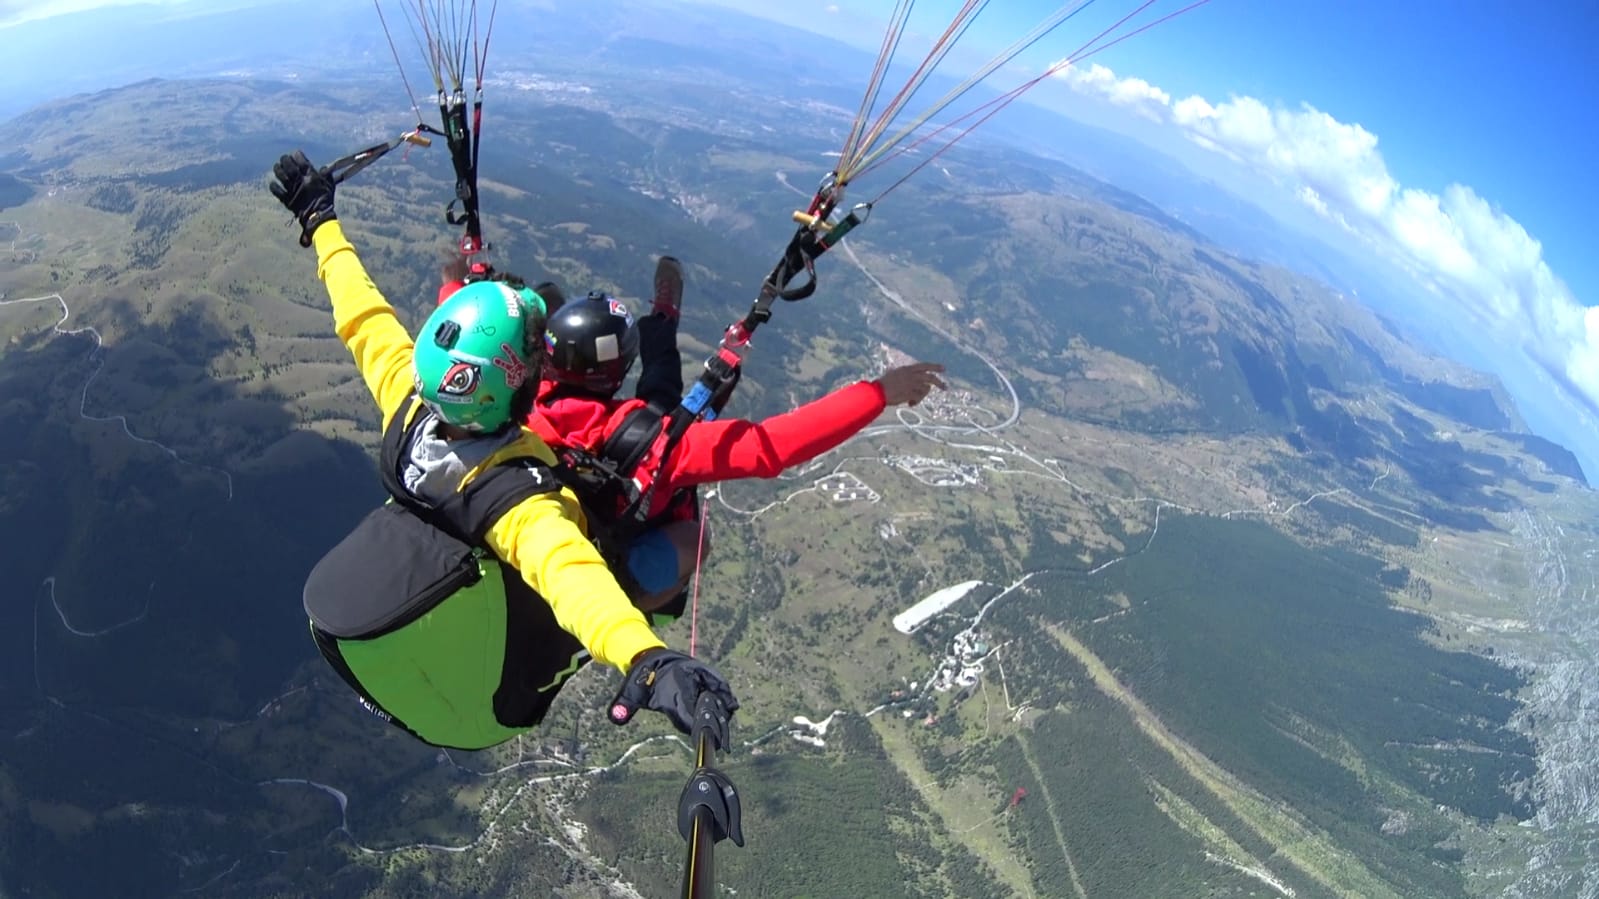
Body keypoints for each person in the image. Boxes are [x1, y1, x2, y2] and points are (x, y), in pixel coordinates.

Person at [269, 150, 737, 752]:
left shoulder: (407, 401)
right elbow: (573, 577)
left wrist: (320, 221)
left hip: (397, 645)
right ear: (520, 386)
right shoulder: (518, 502)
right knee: (680, 538)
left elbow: (363, 318)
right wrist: (644, 655)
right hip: (484, 708)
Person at [530, 276, 947, 613]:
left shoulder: (522, 399)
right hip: (603, 564)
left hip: (557, 531)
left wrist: (463, 279)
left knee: (660, 397)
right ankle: (631, 606)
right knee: (695, 538)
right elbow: (772, 446)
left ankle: (660, 318)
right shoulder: (664, 446)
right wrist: (876, 393)